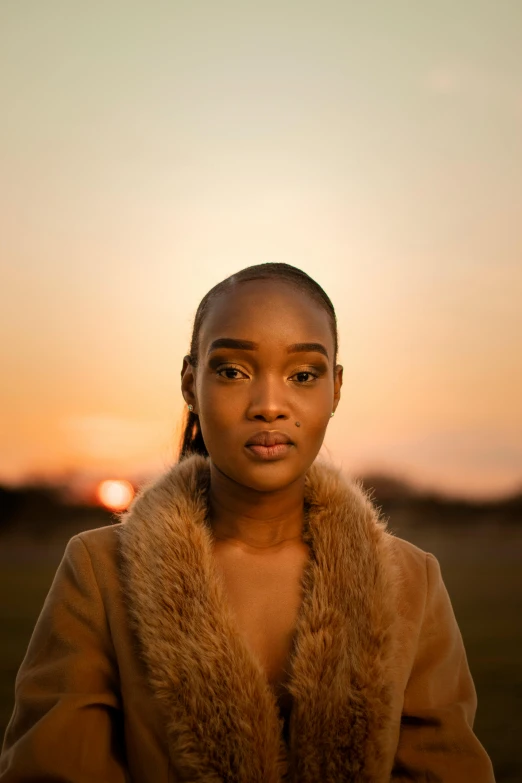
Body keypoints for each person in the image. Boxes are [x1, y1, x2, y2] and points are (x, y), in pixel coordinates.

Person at [0, 263, 495, 782]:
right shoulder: (99, 571)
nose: (269, 406)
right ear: (191, 384)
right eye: (233, 371)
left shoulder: (411, 580)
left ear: (337, 390)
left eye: (303, 375)